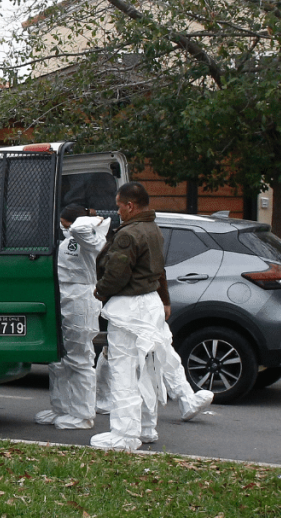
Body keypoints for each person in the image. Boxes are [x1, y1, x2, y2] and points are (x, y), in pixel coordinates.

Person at [90, 182, 168, 451]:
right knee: (146, 369)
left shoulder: (128, 234)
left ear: (130, 206)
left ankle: (124, 435)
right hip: (149, 304)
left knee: (123, 371)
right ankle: (146, 428)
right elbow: (160, 272)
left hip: (128, 307)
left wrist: (99, 291)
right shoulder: (154, 229)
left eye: (119, 205)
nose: (118, 210)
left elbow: (117, 273)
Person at [35, 204, 110, 429]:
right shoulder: (68, 240)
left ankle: (83, 414)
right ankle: (61, 408)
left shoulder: (91, 238)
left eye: (64, 223)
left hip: (80, 299)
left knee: (79, 359)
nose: (63, 227)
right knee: (58, 360)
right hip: (62, 298)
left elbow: (80, 229)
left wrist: (92, 218)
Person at [96, 321, 214, 421]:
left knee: (161, 345)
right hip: (129, 303)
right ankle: (186, 400)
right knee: (117, 348)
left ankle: (104, 399)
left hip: (134, 304)